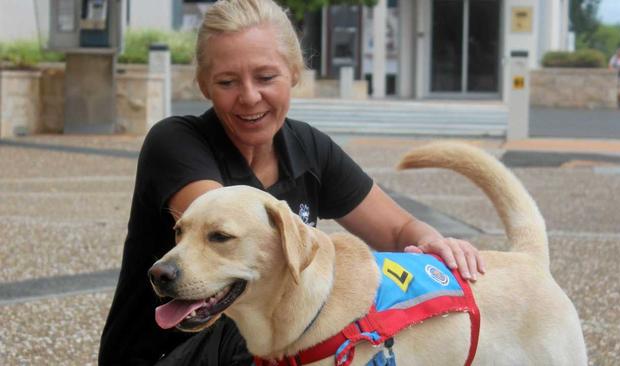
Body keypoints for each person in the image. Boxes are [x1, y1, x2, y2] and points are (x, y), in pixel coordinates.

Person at [98, 0, 485, 364]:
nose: (249, 97)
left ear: (294, 74)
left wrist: (433, 242)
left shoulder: (308, 148)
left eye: (266, 77)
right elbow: (227, 225)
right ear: (203, 84)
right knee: (281, 315)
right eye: (227, 82)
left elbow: (399, 228)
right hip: (162, 356)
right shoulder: (175, 142)